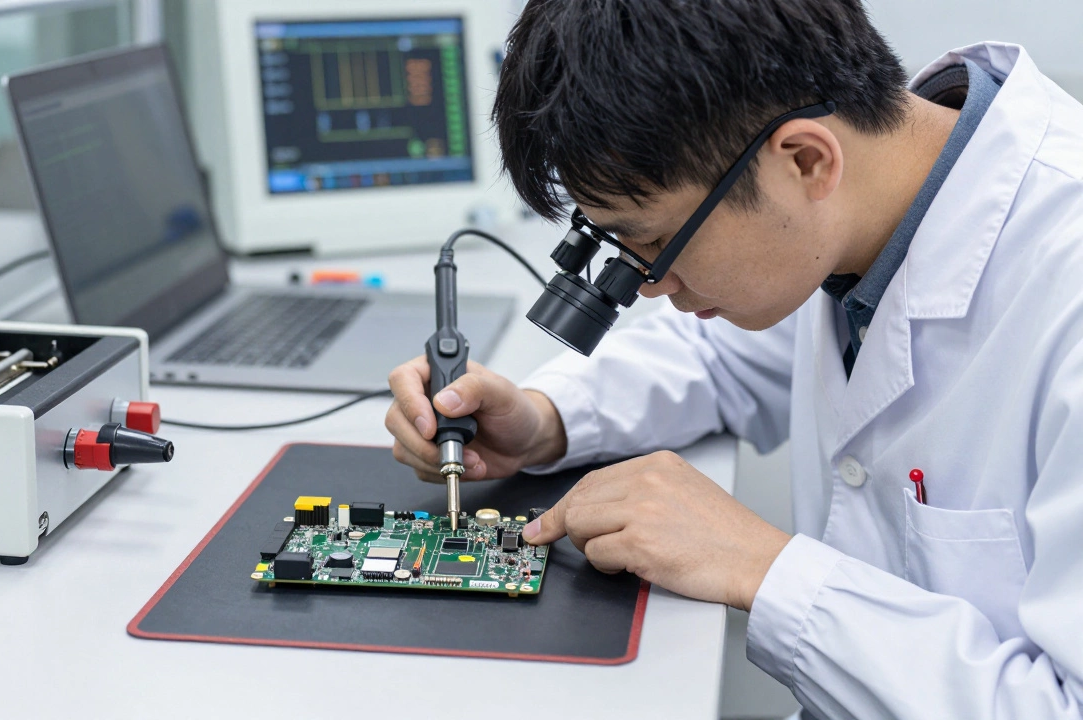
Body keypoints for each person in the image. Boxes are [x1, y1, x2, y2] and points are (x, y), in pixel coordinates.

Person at [383, 0, 1083, 717]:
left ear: (808, 159)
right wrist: (543, 419)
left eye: (657, 245)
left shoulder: (1063, 289)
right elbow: (721, 355)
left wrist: (763, 567)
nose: (650, 286)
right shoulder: (863, 208)